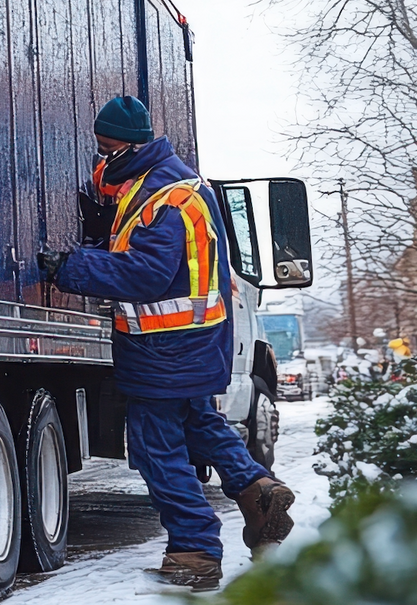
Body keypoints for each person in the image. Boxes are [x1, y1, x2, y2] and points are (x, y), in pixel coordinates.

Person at [40, 95, 292, 589]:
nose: (101, 159)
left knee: (159, 451)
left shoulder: (165, 198)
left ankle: (195, 551)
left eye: (107, 149)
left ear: (132, 147)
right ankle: (257, 489)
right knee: (201, 423)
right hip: (191, 343)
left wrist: (71, 267)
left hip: (166, 346)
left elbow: (147, 273)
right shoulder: (169, 184)